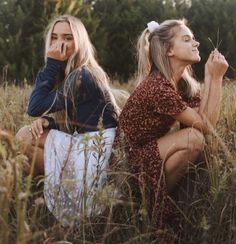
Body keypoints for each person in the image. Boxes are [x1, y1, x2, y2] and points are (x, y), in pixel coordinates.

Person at [113, 19, 228, 242]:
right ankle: (150, 206)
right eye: (186, 39)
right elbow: (203, 126)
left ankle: (153, 202)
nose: (195, 43)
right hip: (127, 163)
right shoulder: (157, 86)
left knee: (197, 141)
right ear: (169, 50)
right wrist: (214, 76)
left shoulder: (181, 84)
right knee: (193, 139)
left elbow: (207, 123)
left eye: (193, 38)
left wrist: (213, 78)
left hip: (149, 154)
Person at [16, 15, 126, 225]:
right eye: (54, 38)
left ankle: (37, 205)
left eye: (67, 37)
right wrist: (51, 122)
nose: (60, 44)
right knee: (29, 138)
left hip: (94, 157)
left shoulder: (82, 76)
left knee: (23, 137)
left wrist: (51, 64)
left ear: (80, 43)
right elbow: (83, 123)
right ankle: (35, 201)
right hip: (87, 147)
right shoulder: (77, 74)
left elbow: (34, 107)